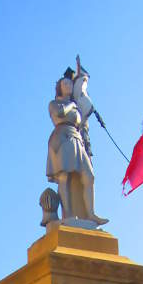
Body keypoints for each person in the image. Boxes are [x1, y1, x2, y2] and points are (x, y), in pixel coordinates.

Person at [46, 59, 107, 226]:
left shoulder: (75, 105)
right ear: (60, 87)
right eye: (65, 83)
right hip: (61, 137)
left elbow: (82, 122)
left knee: (89, 176)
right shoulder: (55, 103)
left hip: (76, 139)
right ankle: (69, 216)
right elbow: (58, 113)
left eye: (69, 84)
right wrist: (70, 104)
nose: (68, 85)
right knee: (64, 177)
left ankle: (91, 214)